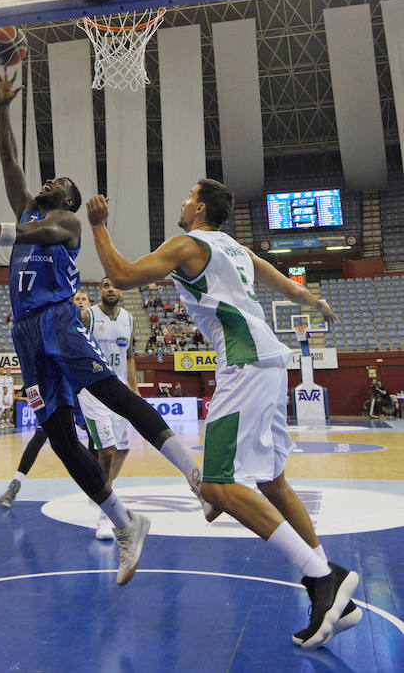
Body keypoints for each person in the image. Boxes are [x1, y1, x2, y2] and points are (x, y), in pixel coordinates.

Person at [0, 67, 205, 587]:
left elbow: (25, 233)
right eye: (48, 180)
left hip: (58, 318)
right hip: (25, 332)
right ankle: (126, 524)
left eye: (59, 183)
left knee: (113, 394)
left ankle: (193, 473)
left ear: (69, 200)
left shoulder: (64, 223)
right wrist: (3, 109)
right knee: (60, 436)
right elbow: (9, 159)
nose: (49, 182)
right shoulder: (30, 209)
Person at [86, 179, 361, 647]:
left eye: (187, 196)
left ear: (199, 209)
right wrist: (313, 302)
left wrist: (99, 226)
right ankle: (335, 595)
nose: (182, 202)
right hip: (270, 362)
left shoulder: (188, 244)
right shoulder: (236, 249)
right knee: (271, 481)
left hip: (244, 364)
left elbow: (124, 274)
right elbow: (281, 282)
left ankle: (323, 577)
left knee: (217, 486)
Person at [0, 290, 95, 509]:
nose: (80, 302)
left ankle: (98, 484)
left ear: (90, 305)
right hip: (60, 386)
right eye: (77, 299)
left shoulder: (95, 327)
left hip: (86, 387)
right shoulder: (59, 322)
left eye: (84, 300)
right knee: (43, 433)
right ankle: (15, 483)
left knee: (93, 434)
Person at [77, 276, 138, 540]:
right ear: (100, 291)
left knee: (122, 450)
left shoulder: (129, 319)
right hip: (94, 390)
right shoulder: (88, 316)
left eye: (114, 285)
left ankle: (104, 490)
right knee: (107, 450)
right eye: (105, 285)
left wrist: (134, 388)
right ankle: (105, 513)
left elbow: (129, 356)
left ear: (121, 290)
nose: (110, 289)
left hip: (120, 390)